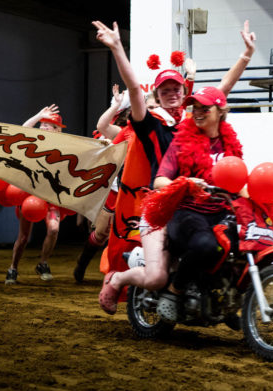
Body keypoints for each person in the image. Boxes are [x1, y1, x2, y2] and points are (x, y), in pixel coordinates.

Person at [92, 19, 256, 314]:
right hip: (161, 207)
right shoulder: (151, 124)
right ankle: (118, 278)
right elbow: (132, 87)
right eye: (165, 89)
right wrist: (117, 48)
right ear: (156, 95)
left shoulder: (196, 120)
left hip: (196, 206)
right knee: (156, 277)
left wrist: (245, 57)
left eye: (176, 87)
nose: (172, 92)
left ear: (184, 90)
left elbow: (222, 93)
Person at [153, 86, 244, 322]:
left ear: (220, 111)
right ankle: (175, 290)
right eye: (195, 108)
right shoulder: (181, 142)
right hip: (186, 213)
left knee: (247, 242)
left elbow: (239, 181)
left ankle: (223, 298)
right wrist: (185, 182)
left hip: (220, 211)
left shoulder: (229, 144)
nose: (199, 112)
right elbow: (159, 181)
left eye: (205, 108)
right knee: (205, 244)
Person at [73, 84, 133, 283]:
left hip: (137, 191)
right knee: (100, 234)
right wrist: (115, 105)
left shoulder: (151, 129)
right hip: (116, 189)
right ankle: (82, 264)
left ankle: (123, 277)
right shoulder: (122, 131)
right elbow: (102, 127)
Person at [4, 104, 64, 284]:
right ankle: (13, 268)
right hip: (29, 194)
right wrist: (39, 114)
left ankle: (43, 263)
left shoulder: (65, 146)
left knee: (54, 229)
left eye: (48, 125)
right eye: (42, 124)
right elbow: (23, 129)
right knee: (23, 238)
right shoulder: (33, 142)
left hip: (52, 196)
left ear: (57, 130)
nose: (43, 127)